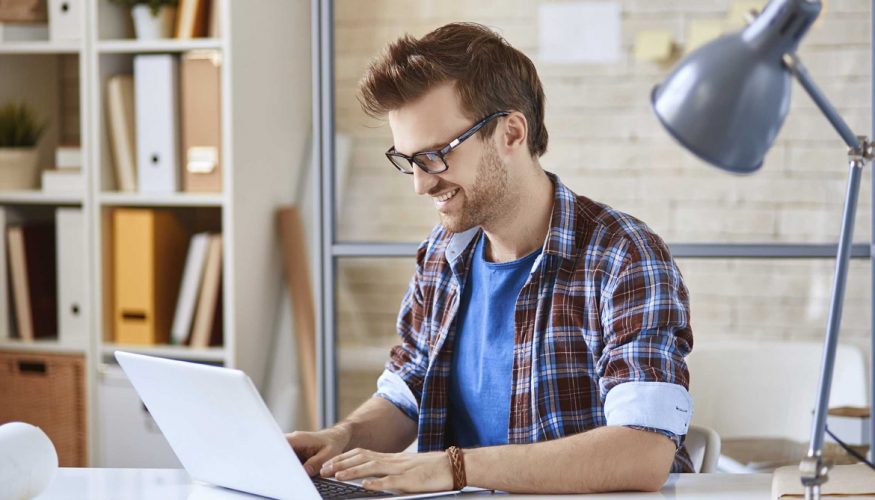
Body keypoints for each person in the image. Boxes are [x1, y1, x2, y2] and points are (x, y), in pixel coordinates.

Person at [287, 22, 694, 495]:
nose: (420, 184)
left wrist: (455, 468)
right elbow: (407, 394)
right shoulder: (442, 254)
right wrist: (340, 438)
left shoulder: (623, 257)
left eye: (436, 155)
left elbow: (643, 451)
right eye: (409, 161)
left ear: (511, 132)